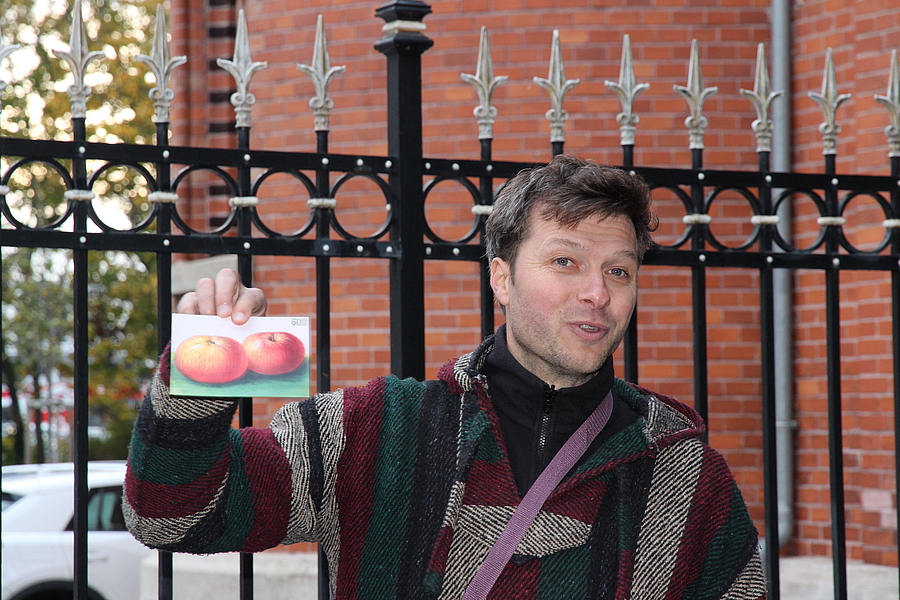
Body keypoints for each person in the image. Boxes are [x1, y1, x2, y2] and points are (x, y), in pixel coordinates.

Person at [125, 154, 767, 599]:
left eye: (619, 271)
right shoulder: (376, 431)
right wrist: (204, 372)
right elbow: (171, 516)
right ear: (502, 278)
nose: (597, 292)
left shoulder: (686, 474)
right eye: (566, 261)